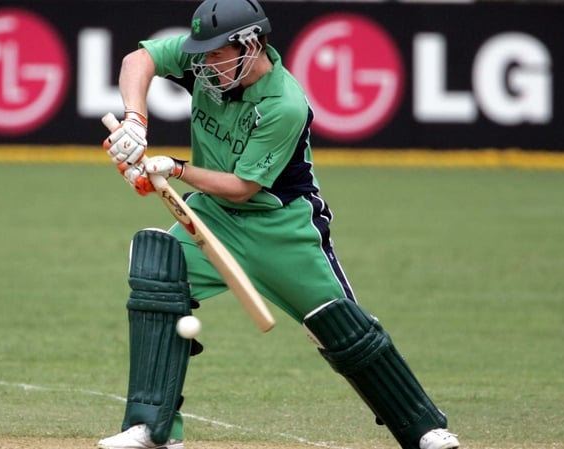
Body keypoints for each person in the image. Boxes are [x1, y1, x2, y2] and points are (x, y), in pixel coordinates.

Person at [97, 1, 460, 448]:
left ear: (251, 45)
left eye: (216, 53)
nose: (205, 64)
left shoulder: (284, 104)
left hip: (281, 226)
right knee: (158, 269)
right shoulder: (208, 64)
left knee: (341, 328)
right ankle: (154, 428)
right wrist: (135, 119)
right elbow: (139, 60)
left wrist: (174, 168)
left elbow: (242, 187)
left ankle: (423, 427)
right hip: (213, 216)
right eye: (202, 54)